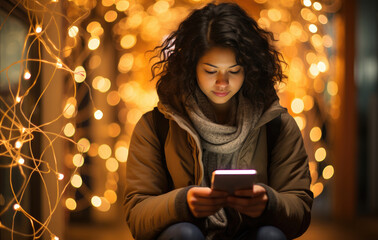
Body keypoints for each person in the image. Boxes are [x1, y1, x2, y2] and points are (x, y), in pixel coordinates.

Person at [123, 2, 313, 240]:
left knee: (269, 236)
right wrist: (181, 203)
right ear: (190, 68)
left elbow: (301, 207)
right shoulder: (156, 126)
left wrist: (269, 203)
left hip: (250, 234)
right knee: (184, 234)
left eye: (234, 71)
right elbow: (137, 213)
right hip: (187, 235)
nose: (222, 83)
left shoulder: (277, 125)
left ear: (250, 69)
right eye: (211, 71)